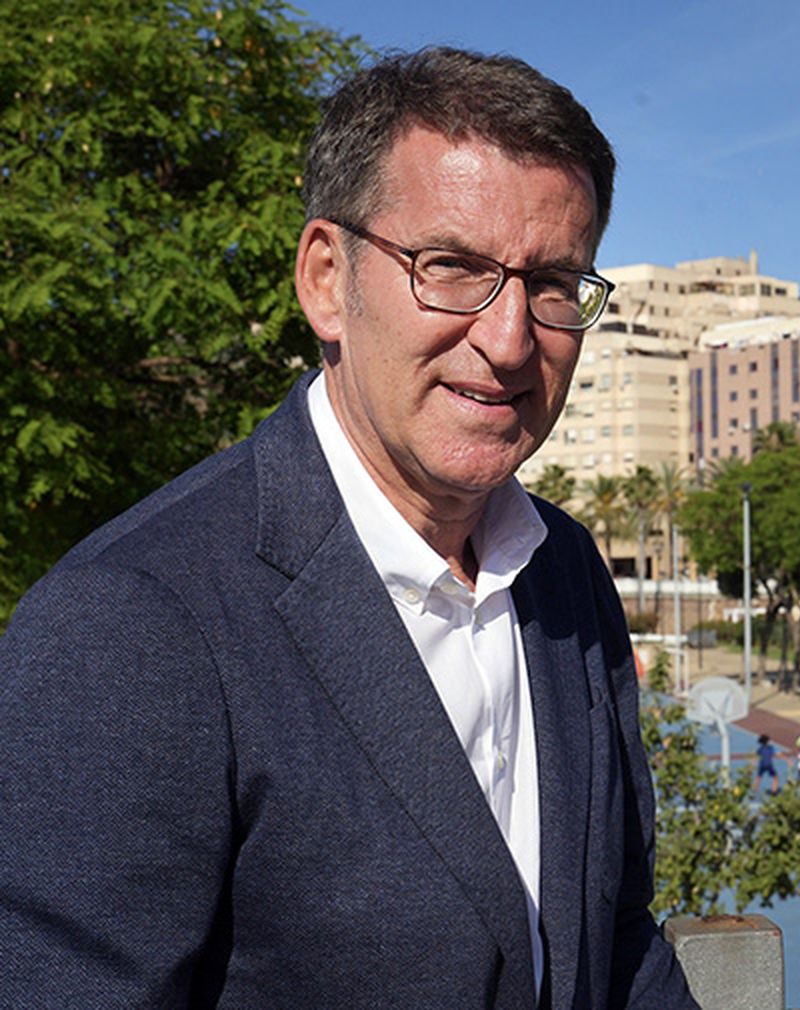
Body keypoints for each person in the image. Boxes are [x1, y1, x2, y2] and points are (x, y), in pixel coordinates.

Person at [0, 48, 699, 1009]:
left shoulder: (566, 572)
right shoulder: (132, 623)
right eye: (450, 268)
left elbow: (615, 948)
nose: (508, 341)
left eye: (552, 284)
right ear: (328, 281)